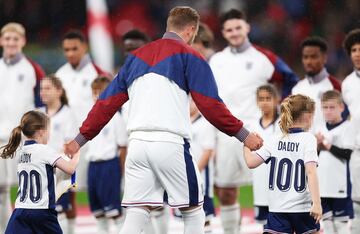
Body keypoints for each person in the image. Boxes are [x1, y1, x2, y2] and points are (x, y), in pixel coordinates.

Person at [64, 6, 263, 234]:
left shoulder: (134, 59)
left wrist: (78, 140)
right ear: (191, 30)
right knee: (193, 211)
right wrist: (244, 136)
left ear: (169, 25)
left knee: (137, 213)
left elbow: (105, 104)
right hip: (170, 143)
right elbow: (211, 106)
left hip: (136, 145)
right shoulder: (191, 57)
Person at [209, 9, 298, 233]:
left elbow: (290, 79)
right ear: (223, 33)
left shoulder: (263, 58)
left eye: (238, 27)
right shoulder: (216, 60)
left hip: (260, 132)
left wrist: (281, 112)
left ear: (247, 28)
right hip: (227, 133)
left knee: (268, 189)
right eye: (229, 29)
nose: (234, 33)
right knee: (226, 190)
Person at [243, 94, 322, 234]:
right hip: (302, 208)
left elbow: (250, 162)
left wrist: (246, 143)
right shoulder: (308, 139)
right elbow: (311, 172)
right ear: (308, 116)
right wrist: (316, 203)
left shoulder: (273, 139)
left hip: (277, 209)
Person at [0, 110, 79, 234]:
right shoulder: (45, 151)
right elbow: (70, 169)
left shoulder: (22, 153)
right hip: (42, 212)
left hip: (21, 210)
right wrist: (76, 155)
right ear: (41, 132)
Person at [0, 22, 45, 233]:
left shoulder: (32, 69)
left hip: (22, 140)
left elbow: (41, 106)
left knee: (26, 190)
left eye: (15, 39)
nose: (11, 43)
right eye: (7, 39)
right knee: (0, 190)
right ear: (1, 41)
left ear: (23, 41)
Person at [56, 30, 108, 191]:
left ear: (84, 47)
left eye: (74, 48)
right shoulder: (60, 74)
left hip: (90, 140)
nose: (70, 53)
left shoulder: (98, 74)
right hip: (65, 140)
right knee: (65, 191)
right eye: (66, 50)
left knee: (91, 190)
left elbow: (107, 108)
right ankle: (69, 218)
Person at [86, 76, 127, 234]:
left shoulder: (116, 118)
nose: (97, 96)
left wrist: (120, 169)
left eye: (101, 92)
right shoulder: (90, 115)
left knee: (114, 212)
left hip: (109, 165)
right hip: (93, 164)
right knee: (99, 213)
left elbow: (122, 146)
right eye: (94, 92)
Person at [39, 75, 77, 234]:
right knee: (44, 211)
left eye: (48, 88)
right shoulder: (38, 113)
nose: (43, 92)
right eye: (41, 88)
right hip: (42, 170)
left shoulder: (68, 114)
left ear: (59, 91)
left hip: (60, 170)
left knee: (61, 210)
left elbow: (70, 148)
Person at [316, 90, 353, 234]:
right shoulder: (319, 128)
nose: (328, 111)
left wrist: (328, 146)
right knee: (328, 225)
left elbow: (350, 154)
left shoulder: (348, 127)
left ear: (341, 108)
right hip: (323, 186)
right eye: (325, 107)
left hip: (340, 186)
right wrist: (317, 148)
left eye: (332, 107)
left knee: (341, 226)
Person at [292, 36, 342, 131]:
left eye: (313, 57)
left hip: (328, 145)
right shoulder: (297, 89)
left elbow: (344, 121)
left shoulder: (335, 87)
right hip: (304, 144)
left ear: (324, 58)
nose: (309, 61)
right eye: (305, 57)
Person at [248, 84, 281, 227]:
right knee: (265, 226)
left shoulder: (283, 124)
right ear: (257, 102)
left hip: (280, 186)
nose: (265, 102)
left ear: (276, 100)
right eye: (261, 99)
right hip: (260, 184)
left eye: (268, 98)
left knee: (282, 226)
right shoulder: (252, 125)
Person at [342, 28, 360, 233]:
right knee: (357, 203)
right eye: (353, 49)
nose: (357, 53)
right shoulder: (346, 84)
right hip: (357, 150)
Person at [189, 99, 217, 233]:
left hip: (200, 175)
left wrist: (194, 171)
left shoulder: (205, 123)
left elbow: (208, 151)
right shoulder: (180, 122)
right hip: (182, 176)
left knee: (204, 215)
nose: (189, 105)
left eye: (192, 101)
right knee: (187, 215)